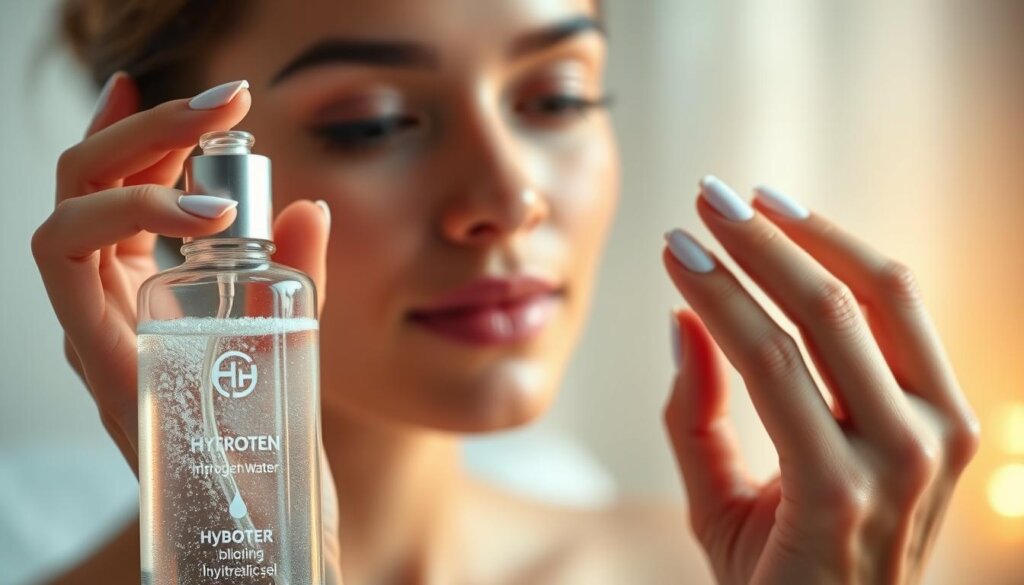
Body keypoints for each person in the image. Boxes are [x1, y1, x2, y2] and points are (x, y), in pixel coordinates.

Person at [32, 0, 980, 582]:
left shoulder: (745, 568)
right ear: (161, 181)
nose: (508, 199)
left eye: (557, 99)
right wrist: (234, 562)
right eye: (374, 122)